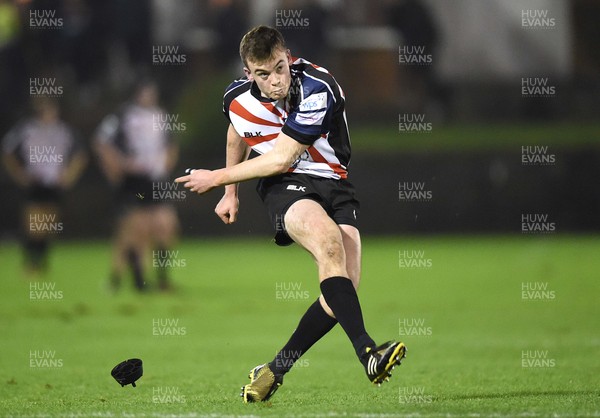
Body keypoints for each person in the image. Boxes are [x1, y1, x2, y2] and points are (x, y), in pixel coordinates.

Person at [176, 25, 406, 402]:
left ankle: (273, 369)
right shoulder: (236, 97)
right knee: (329, 245)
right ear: (249, 73)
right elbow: (239, 131)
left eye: (279, 68)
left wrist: (217, 178)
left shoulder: (318, 86)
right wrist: (231, 192)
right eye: (263, 74)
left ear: (289, 57)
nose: (275, 81)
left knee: (342, 291)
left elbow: (283, 152)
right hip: (284, 185)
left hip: (334, 183)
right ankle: (368, 352)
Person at [94, 80, 179, 291]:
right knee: (136, 229)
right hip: (134, 183)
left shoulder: (161, 115)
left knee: (165, 225)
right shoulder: (123, 115)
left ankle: (162, 280)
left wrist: (165, 166)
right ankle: (137, 281)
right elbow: (101, 142)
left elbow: (171, 145)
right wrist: (116, 166)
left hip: (155, 180)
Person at [2, 97, 86, 274]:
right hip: (35, 182)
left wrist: (69, 176)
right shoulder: (27, 129)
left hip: (54, 183)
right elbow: (7, 150)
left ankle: (42, 262)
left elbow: (80, 155)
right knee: (33, 225)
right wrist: (19, 174)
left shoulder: (63, 131)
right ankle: (30, 263)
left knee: (48, 224)